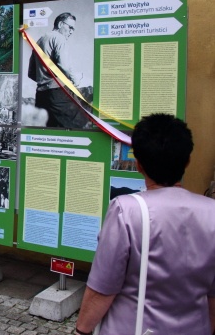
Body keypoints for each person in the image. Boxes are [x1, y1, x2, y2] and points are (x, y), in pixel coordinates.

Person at [75, 114, 215, 335]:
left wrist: (82, 329)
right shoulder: (212, 211)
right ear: (187, 161)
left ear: (138, 165)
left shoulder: (126, 210)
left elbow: (103, 286)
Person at [28, 12, 89, 128]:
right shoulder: (59, 38)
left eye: (73, 29)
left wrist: (43, 78)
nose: (71, 31)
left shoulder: (40, 40)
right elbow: (64, 65)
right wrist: (75, 80)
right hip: (58, 94)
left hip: (41, 95)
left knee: (47, 131)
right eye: (70, 27)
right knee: (80, 122)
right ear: (61, 24)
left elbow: (31, 73)